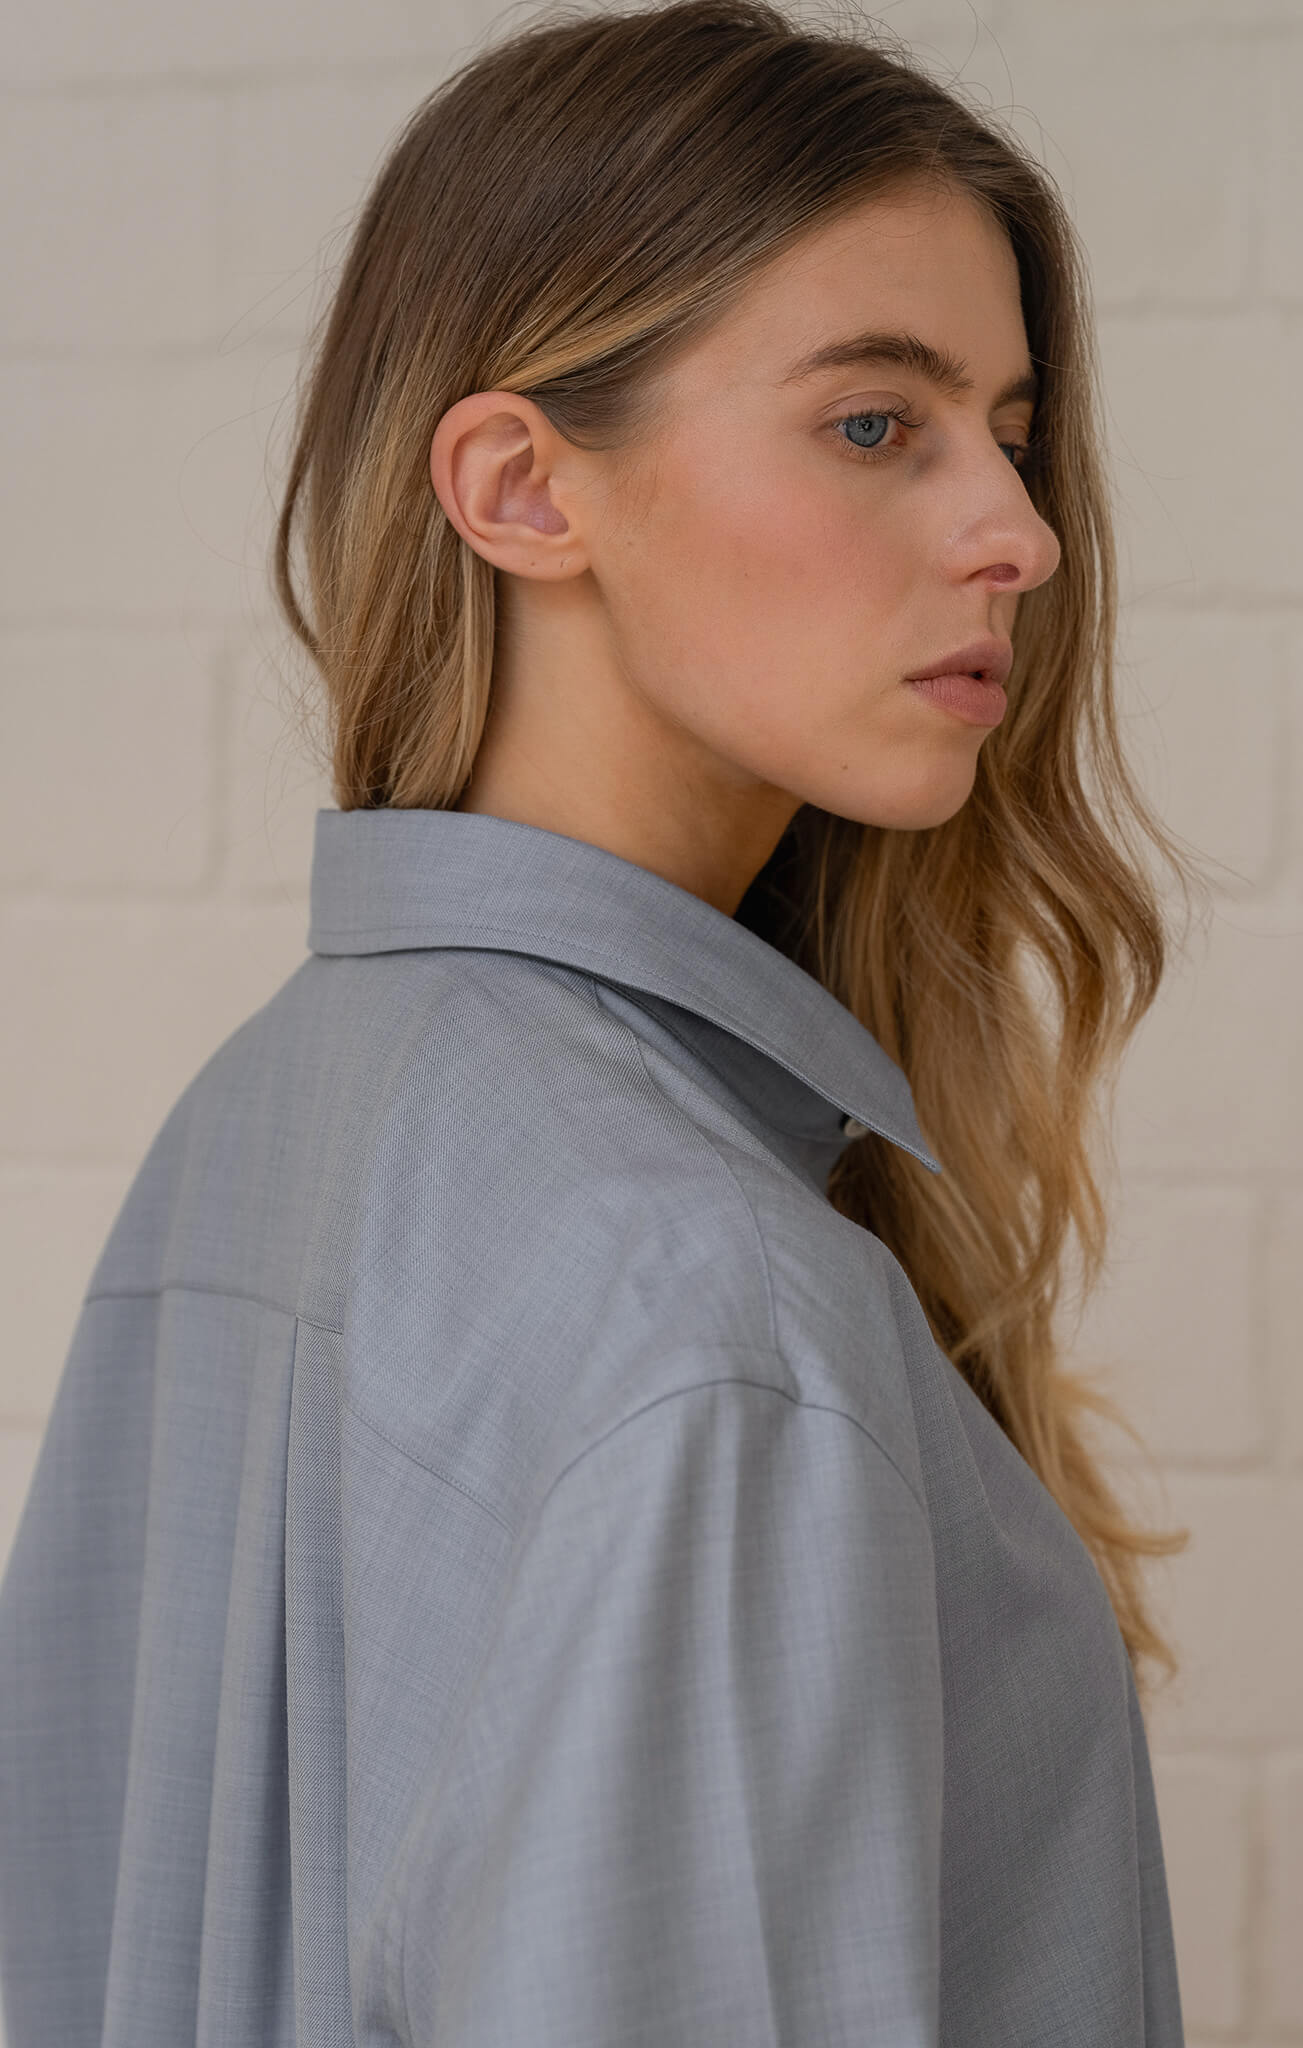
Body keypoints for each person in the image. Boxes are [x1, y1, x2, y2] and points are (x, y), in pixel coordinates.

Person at [0, 2, 1199, 2040]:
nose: (1021, 532)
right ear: (522, 489)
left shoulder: (271, 1118)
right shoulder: (709, 1306)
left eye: (1005, 425)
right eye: (872, 423)